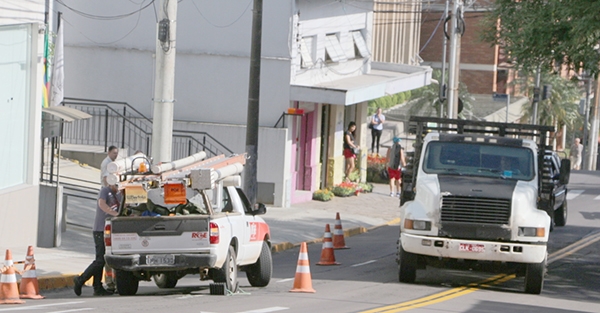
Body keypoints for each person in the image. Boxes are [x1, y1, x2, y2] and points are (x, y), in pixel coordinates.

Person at [73, 184, 121, 296]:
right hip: (100, 229)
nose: (117, 187)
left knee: (102, 259)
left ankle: (97, 287)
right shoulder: (105, 190)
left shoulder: (118, 194)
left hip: (110, 230)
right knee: (100, 260)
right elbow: (101, 203)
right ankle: (80, 280)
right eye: (115, 184)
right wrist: (115, 213)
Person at [99, 145, 119, 293]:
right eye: (114, 153)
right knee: (104, 257)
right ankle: (109, 282)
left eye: (116, 153)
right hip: (102, 227)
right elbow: (103, 205)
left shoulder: (114, 194)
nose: (115, 155)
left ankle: (111, 282)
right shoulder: (106, 192)